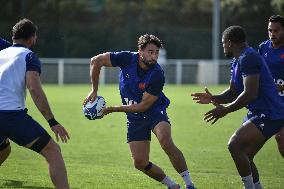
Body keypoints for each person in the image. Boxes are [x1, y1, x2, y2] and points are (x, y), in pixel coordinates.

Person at [84, 34, 196, 189]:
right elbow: (96, 61)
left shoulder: (157, 74)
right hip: (134, 117)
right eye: (150, 51)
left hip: (154, 110)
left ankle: (189, 184)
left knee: (166, 142)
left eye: (156, 52)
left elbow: (143, 106)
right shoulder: (127, 59)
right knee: (140, 162)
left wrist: (111, 109)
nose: (154, 56)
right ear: (140, 51)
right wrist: (94, 90)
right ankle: (172, 185)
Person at [191, 26, 284, 189]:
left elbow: (250, 94)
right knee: (245, 156)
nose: (223, 47)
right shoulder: (237, 60)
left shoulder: (249, 57)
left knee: (234, 144)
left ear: (229, 42)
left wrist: (225, 110)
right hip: (257, 112)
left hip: (271, 113)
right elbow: (234, 91)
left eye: (222, 44)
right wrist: (213, 98)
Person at [0, 18, 70, 189]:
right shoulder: (29, 56)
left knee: (3, 149)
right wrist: (52, 121)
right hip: (10, 116)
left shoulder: (1, 53)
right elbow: (34, 88)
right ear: (32, 39)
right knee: (53, 151)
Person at [258, 15, 284, 159]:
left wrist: (281, 87)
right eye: (270, 30)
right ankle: (252, 182)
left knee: (281, 138)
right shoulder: (263, 47)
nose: (272, 34)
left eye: (276, 31)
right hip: (268, 104)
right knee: (242, 144)